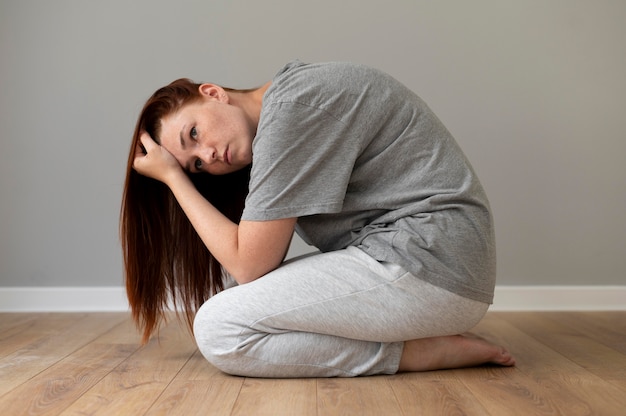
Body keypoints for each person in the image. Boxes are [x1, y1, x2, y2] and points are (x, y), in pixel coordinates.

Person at [120, 60, 515, 377]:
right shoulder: (291, 101)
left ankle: (411, 353)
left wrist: (175, 178)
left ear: (213, 93)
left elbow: (250, 264)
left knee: (219, 329)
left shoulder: (293, 109)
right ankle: (415, 338)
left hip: (429, 263)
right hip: (430, 262)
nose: (207, 156)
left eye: (194, 133)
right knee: (234, 297)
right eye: (196, 166)